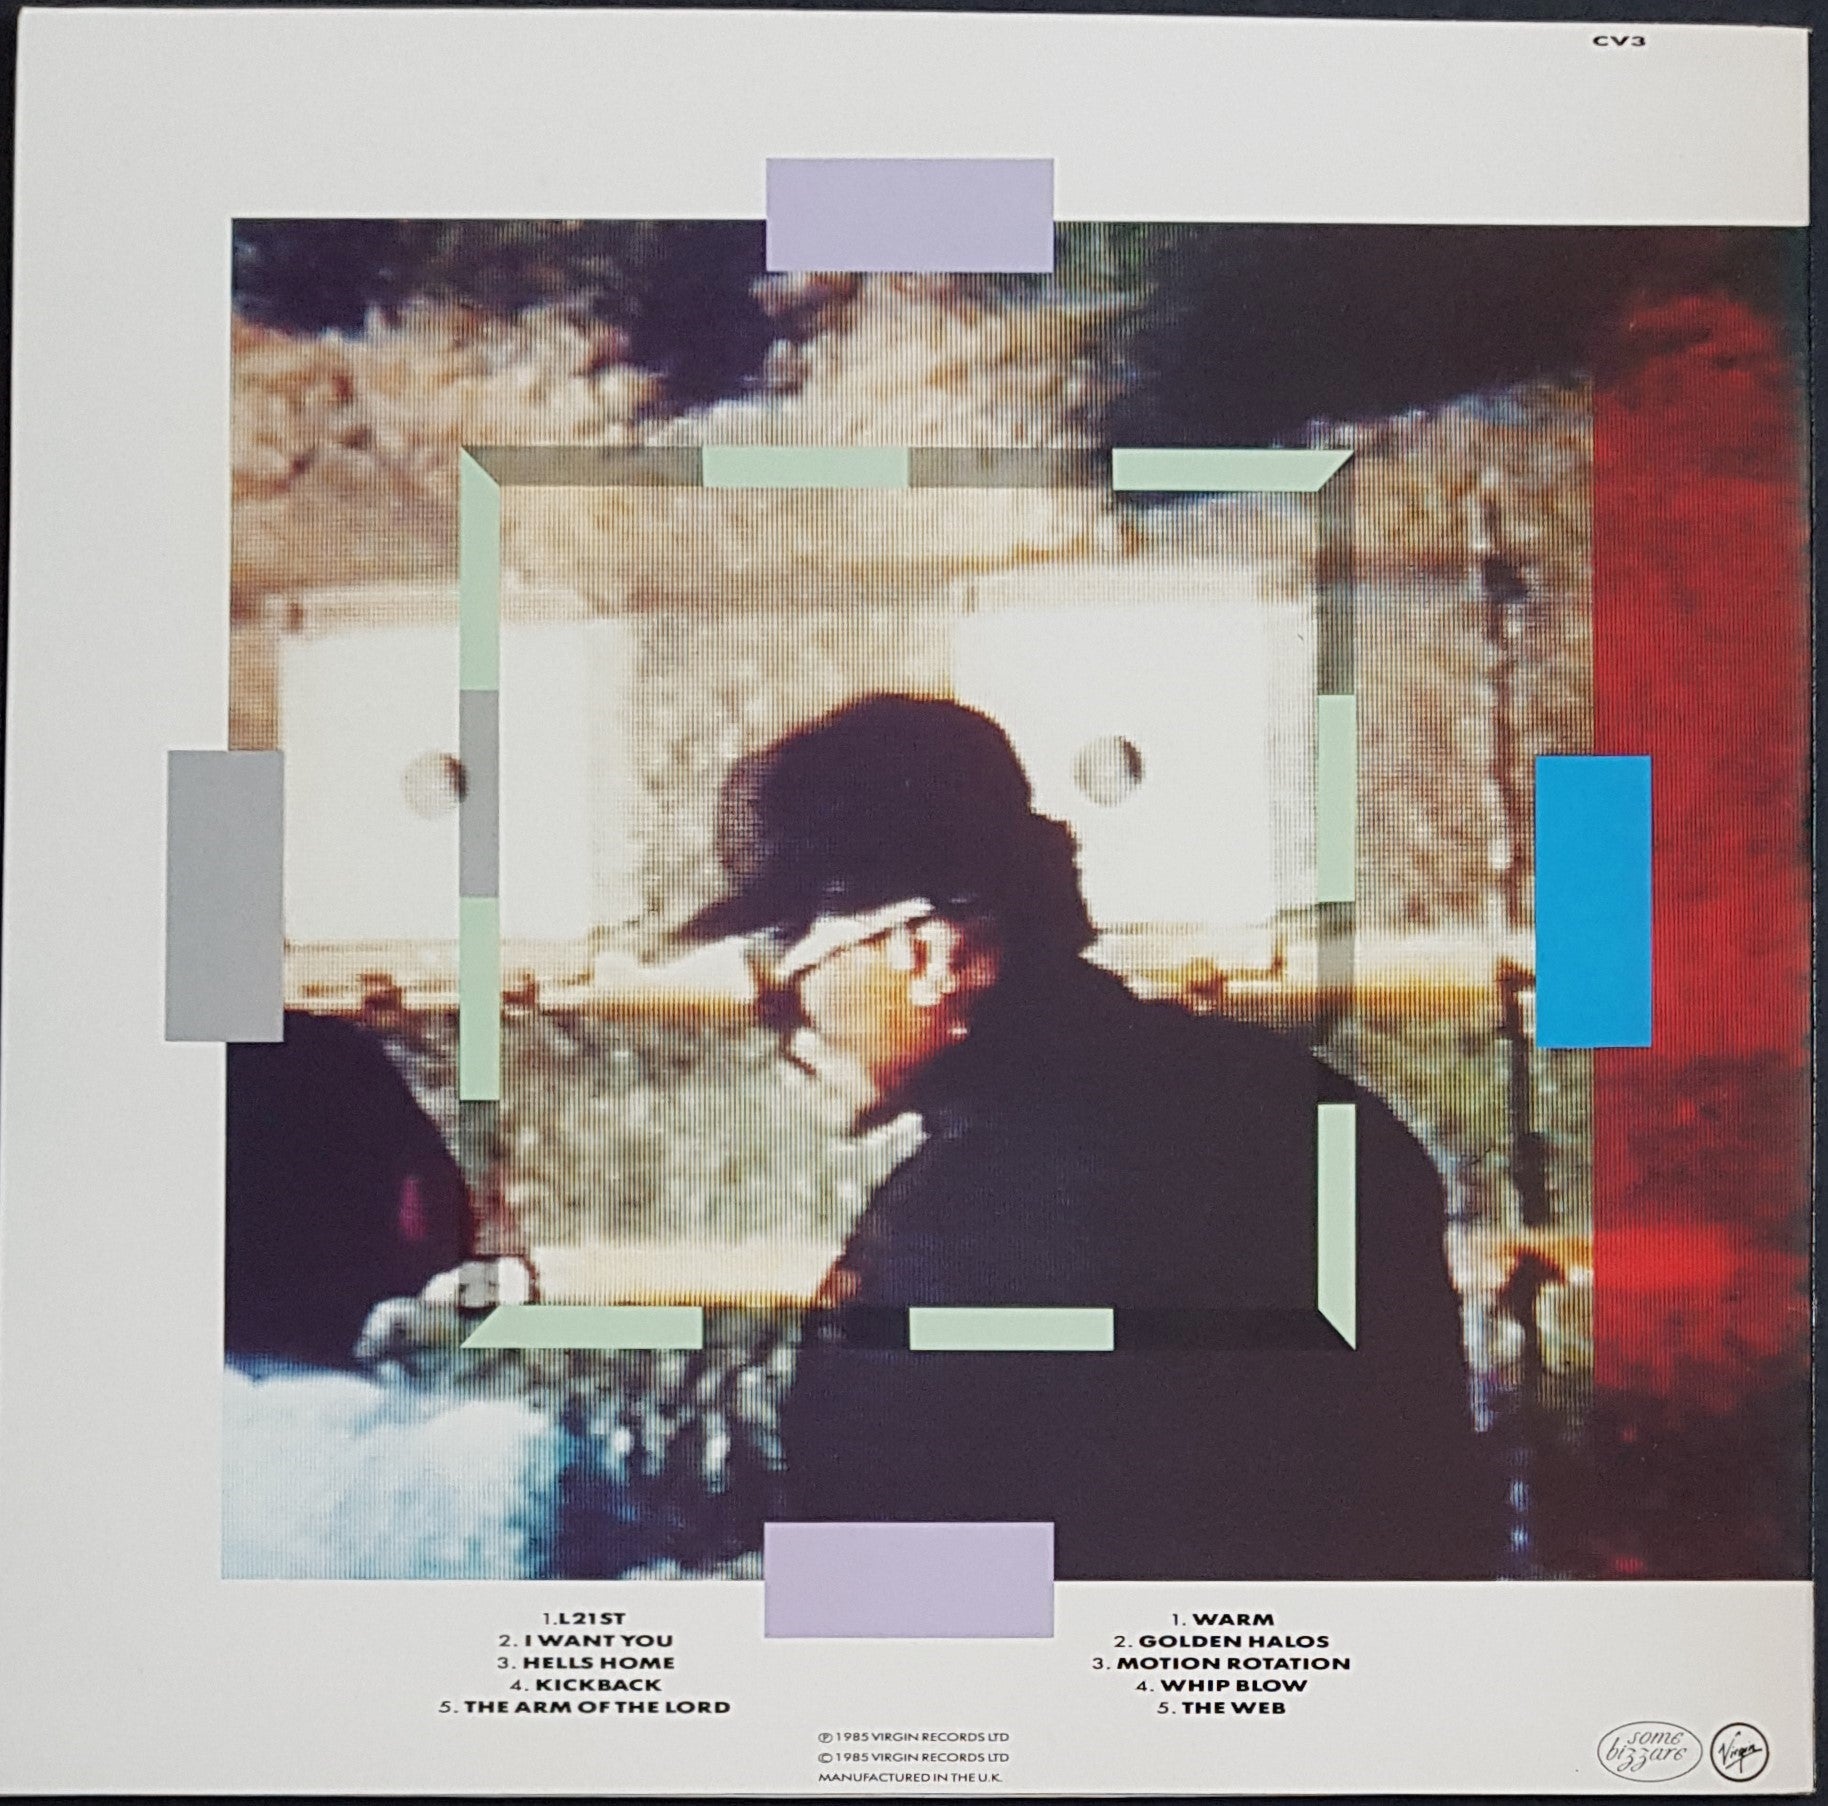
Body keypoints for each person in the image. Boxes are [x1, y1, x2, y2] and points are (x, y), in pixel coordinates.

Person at [684, 693, 1501, 1580]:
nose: (772, 1008)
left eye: (782, 952)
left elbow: (881, 1599)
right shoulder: (1316, 1112)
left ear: (929, 953)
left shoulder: (951, 1231)